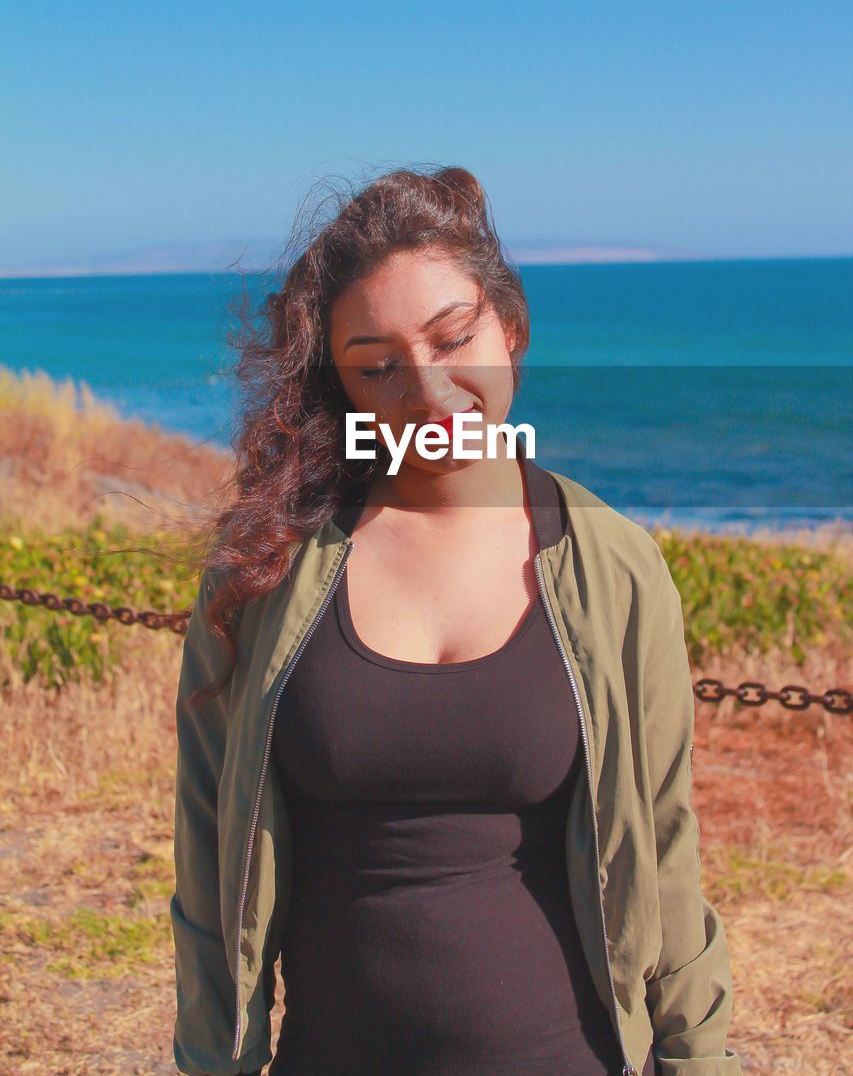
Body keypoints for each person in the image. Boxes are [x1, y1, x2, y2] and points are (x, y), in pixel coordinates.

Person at [170, 167, 743, 1076]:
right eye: (378, 363)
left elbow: (663, 844)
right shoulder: (264, 570)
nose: (429, 393)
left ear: (508, 328)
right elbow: (209, 853)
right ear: (341, 383)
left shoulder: (615, 566)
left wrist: (697, 1060)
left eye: (453, 337)